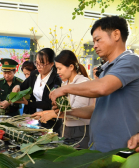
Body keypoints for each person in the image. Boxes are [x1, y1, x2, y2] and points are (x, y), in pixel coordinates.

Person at [50, 16, 139, 152]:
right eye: (94, 41)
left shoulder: (131, 61)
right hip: (98, 147)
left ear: (116, 34)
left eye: (98, 40)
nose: (95, 45)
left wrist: (64, 89)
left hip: (120, 149)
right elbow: (94, 109)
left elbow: (103, 87)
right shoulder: (107, 70)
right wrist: (67, 112)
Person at [33, 50, 95, 148]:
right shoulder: (65, 84)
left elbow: (77, 110)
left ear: (71, 67)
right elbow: (65, 109)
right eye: (57, 69)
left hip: (80, 131)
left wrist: (52, 114)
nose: (58, 72)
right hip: (66, 129)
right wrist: (45, 113)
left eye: (59, 68)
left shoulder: (83, 83)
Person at [12, 48, 62, 132]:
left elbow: (48, 103)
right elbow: (23, 86)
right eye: (37, 63)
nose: (38, 67)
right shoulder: (34, 74)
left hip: (49, 121)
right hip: (33, 119)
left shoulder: (56, 80)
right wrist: (17, 87)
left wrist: (28, 103)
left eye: (42, 64)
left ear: (51, 64)